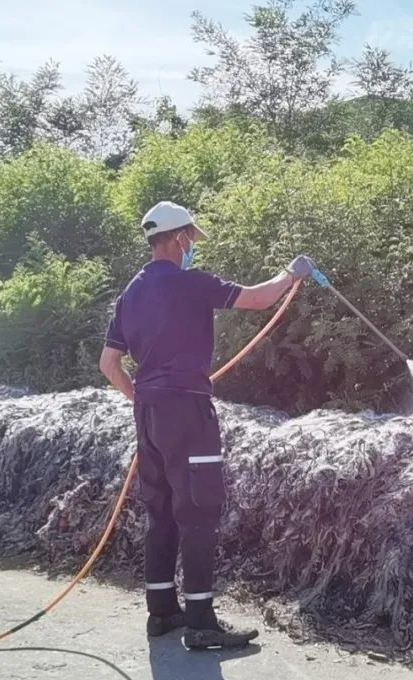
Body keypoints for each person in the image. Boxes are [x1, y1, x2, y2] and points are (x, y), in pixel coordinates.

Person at [99, 201, 315, 650]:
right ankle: (201, 621)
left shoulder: (130, 294)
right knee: (198, 509)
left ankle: (162, 614)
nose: (192, 247)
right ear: (178, 238)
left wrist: (142, 398)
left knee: (160, 510)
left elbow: (109, 364)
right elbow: (257, 299)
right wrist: (291, 274)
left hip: (151, 413)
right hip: (188, 410)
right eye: (191, 240)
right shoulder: (190, 284)